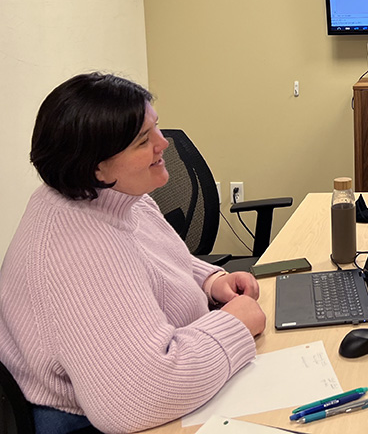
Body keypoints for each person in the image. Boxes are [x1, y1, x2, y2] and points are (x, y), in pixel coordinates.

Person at [0, 73, 266, 433]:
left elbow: (154, 258)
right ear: (95, 166)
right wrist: (235, 323)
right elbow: (139, 399)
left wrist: (211, 280)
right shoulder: (75, 247)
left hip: (148, 382)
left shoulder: (114, 195)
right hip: (89, 420)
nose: (164, 144)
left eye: (156, 128)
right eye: (144, 140)